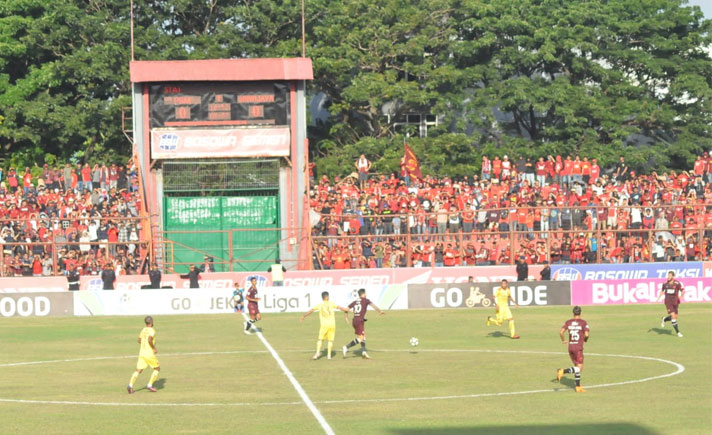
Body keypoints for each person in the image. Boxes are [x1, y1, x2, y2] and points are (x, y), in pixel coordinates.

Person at [300, 291, 350, 360]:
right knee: (330, 340)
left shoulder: (319, 305)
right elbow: (340, 308)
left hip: (324, 325)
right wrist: (347, 309)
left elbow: (311, 310)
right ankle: (329, 355)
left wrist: (304, 316)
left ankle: (317, 352)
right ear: (327, 297)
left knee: (320, 339)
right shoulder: (332, 303)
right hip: (332, 324)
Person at [342, 288, 384, 359]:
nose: (366, 294)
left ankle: (364, 352)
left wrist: (346, 318)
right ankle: (346, 347)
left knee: (362, 336)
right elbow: (373, 305)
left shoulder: (355, 301)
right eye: (365, 293)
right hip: (359, 321)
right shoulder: (366, 300)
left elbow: (346, 309)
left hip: (355, 320)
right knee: (361, 338)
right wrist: (379, 311)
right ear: (363, 294)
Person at [557, 306, 590, 393]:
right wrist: (585, 340)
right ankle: (563, 371)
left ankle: (578, 387)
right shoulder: (583, 323)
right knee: (579, 368)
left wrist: (564, 340)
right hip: (578, 347)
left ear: (573, 313)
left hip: (570, 347)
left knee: (576, 367)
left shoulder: (568, 322)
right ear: (580, 313)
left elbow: (561, 332)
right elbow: (586, 335)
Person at [127, 315, 160, 394]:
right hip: (149, 354)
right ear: (151, 322)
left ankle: (130, 385)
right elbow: (149, 339)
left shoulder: (143, 329)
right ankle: (149, 385)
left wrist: (144, 343)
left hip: (142, 353)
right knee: (157, 368)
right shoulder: (152, 330)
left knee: (138, 370)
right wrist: (153, 348)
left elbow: (139, 340)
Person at [657, 271, 684, 337]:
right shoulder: (665, 284)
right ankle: (678, 332)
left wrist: (680, 297)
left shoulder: (677, 283)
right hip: (668, 302)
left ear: (673, 276)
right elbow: (662, 291)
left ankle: (664, 319)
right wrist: (658, 298)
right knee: (673, 317)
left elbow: (682, 291)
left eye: (670, 276)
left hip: (675, 302)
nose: (668, 277)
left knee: (675, 316)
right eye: (668, 275)